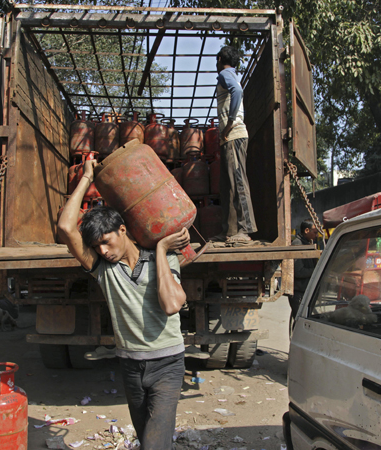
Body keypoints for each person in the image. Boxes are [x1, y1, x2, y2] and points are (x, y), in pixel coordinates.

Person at [58, 159, 190, 450]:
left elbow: (171, 304)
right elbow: (66, 227)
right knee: (147, 440)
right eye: (96, 247)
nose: (103, 251)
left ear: (122, 230)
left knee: (154, 446)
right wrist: (87, 177)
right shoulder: (103, 270)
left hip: (168, 364)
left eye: (106, 241)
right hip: (130, 366)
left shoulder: (164, 258)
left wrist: (161, 249)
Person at [210, 45, 257, 244]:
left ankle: (245, 230)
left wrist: (229, 123)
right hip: (229, 138)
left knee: (238, 182)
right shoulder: (231, 75)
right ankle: (229, 231)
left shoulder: (225, 74)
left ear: (220, 59)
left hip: (234, 135)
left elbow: (237, 91)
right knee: (228, 185)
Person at [288, 220, 319, 331]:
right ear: (306, 230)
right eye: (315, 232)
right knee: (299, 323)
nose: (316, 235)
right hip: (298, 292)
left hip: (304, 291)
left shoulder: (307, 243)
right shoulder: (298, 244)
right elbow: (299, 271)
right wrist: (316, 270)